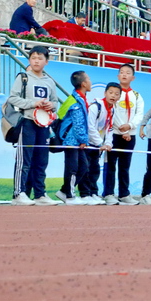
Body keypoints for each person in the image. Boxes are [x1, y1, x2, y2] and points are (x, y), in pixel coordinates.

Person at [9, 46, 59, 206]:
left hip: (44, 126)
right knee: (24, 160)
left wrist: (51, 105)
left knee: (41, 160)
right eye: (33, 58)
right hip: (27, 122)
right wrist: (33, 103)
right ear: (29, 60)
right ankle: (19, 193)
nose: (36, 61)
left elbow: (56, 102)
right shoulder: (23, 77)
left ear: (47, 61)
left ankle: (40, 194)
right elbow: (13, 98)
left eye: (40, 58)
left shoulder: (49, 81)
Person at [104, 64, 144, 205]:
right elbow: (111, 112)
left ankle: (124, 194)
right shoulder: (114, 93)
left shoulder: (137, 96)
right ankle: (108, 193)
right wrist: (123, 130)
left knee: (125, 166)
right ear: (118, 76)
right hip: (114, 134)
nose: (124, 75)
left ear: (133, 77)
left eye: (128, 73)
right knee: (110, 166)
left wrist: (130, 127)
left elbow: (139, 115)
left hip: (130, 136)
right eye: (121, 72)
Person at [80, 82, 120, 205]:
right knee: (85, 169)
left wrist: (108, 143)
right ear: (105, 93)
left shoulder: (112, 109)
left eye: (116, 94)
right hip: (88, 143)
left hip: (98, 145)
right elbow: (90, 126)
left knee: (95, 169)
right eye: (111, 92)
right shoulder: (95, 107)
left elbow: (109, 128)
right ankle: (85, 194)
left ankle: (93, 193)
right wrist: (99, 143)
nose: (113, 96)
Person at [55, 71, 92, 205]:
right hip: (71, 140)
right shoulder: (76, 101)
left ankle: (64, 191)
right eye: (88, 79)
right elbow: (78, 124)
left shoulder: (80, 98)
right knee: (72, 168)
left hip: (76, 140)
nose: (90, 82)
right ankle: (70, 196)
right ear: (83, 84)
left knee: (83, 166)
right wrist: (83, 140)